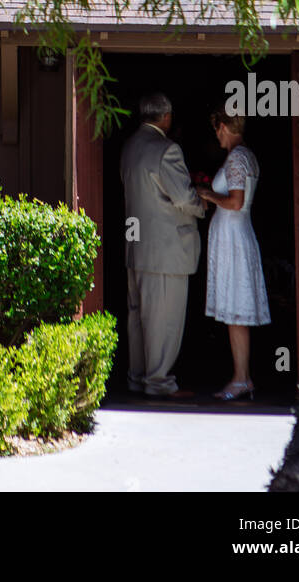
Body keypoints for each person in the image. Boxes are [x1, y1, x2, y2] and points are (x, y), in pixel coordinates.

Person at [120, 92, 207, 398]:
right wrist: (203, 204)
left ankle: (138, 377)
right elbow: (183, 197)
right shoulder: (166, 149)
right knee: (163, 319)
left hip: (137, 247)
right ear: (166, 117)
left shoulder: (130, 146)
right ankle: (158, 382)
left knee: (139, 317)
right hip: (166, 249)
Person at [199, 107, 271, 402]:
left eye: (217, 128)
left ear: (225, 127)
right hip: (237, 236)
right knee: (235, 312)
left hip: (234, 238)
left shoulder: (237, 157)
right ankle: (242, 377)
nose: (216, 134)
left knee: (236, 312)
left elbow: (236, 202)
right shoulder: (246, 155)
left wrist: (207, 193)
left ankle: (242, 378)